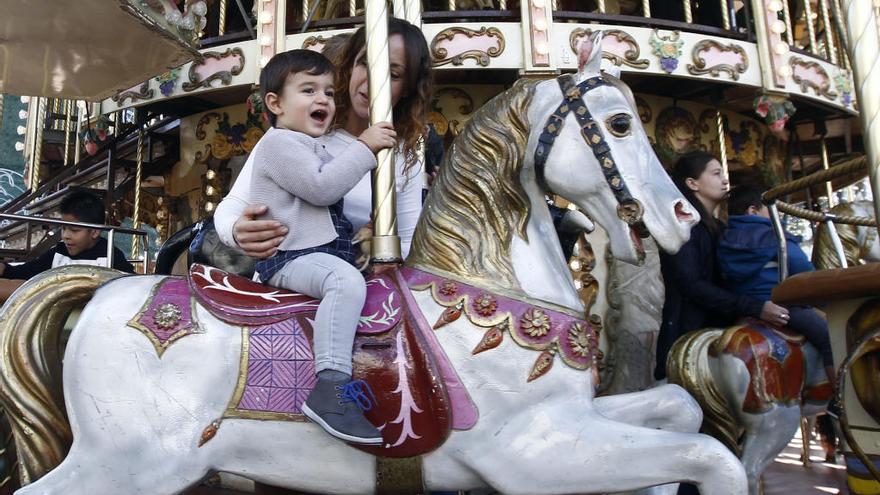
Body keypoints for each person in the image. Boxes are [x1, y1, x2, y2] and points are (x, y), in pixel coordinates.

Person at [249, 49, 398, 444]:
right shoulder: (278, 144)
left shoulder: (310, 144)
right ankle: (331, 387)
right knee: (345, 282)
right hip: (288, 257)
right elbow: (322, 188)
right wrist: (365, 148)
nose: (324, 101)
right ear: (276, 104)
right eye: (309, 90)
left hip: (318, 253)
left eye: (330, 93)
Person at [214, 17, 432, 261]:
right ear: (350, 65)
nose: (373, 82)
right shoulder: (300, 132)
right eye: (365, 64)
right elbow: (233, 204)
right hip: (286, 275)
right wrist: (236, 230)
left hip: (353, 277)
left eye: (392, 74)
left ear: (408, 88)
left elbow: (409, 244)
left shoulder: (402, 154)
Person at [654, 151, 789, 381]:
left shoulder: (718, 227)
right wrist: (754, 306)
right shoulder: (686, 228)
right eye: (716, 174)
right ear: (692, 183)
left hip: (719, 326)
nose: (725, 180)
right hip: (692, 336)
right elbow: (691, 284)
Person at [717, 184, 836, 386]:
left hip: (746, 308)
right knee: (831, 339)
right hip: (783, 307)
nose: (776, 215)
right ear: (752, 210)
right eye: (770, 209)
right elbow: (803, 269)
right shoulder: (774, 236)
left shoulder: (725, 240)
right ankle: (842, 396)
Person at [0, 190, 135, 285]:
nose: (65, 236)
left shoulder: (111, 256)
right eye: (63, 228)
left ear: (95, 232)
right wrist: (4, 268)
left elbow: (129, 284)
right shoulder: (58, 252)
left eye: (74, 230)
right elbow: (24, 272)